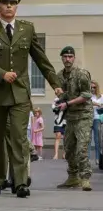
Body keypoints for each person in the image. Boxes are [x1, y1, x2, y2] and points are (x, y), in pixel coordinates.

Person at [0, 0, 62, 198]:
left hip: (20, 92)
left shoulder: (26, 29)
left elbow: (41, 59)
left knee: (19, 137)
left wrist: (55, 83)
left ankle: (20, 182)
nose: (9, 6)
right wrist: (1, 74)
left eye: (12, 3)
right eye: (5, 3)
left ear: (17, 7)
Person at [54, 46, 92, 191]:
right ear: (62, 58)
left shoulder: (82, 74)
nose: (67, 59)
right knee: (69, 149)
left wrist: (67, 103)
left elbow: (86, 95)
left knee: (81, 149)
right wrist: (60, 100)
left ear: (74, 58)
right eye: (65, 57)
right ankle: (73, 177)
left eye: (70, 57)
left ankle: (85, 178)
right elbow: (62, 94)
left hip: (83, 116)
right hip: (70, 117)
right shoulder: (59, 76)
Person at [90, 80, 102, 165]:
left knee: (97, 140)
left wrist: (96, 105)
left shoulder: (101, 96)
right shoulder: (87, 96)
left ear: (97, 87)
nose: (92, 89)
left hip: (97, 118)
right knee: (87, 140)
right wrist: (97, 104)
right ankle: (88, 159)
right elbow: (87, 103)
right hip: (88, 118)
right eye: (91, 87)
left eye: (94, 87)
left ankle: (98, 159)